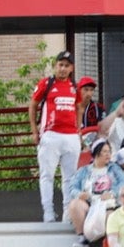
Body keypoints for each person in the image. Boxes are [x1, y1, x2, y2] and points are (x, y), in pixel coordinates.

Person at [29, 51, 82, 225]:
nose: (63, 68)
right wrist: (34, 130)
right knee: (47, 175)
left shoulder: (74, 86)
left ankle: (68, 213)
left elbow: (79, 107)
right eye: (60, 64)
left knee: (70, 176)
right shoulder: (47, 83)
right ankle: (49, 213)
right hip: (50, 134)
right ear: (55, 65)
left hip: (71, 136)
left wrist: (79, 130)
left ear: (71, 68)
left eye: (67, 65)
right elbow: (33, 105)